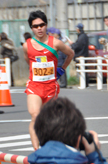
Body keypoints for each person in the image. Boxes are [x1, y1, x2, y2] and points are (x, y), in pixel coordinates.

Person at [23, 10, 74, 150]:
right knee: (35, 115)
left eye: (42, 25)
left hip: (51, 86)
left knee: (47, 119)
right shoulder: (27, 45)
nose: (39, 28)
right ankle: (37, 151)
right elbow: (29, 62)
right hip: (34, 85)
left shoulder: (55, 43)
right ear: (31, 28)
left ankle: (49, 145)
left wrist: (62, 69)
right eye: (35, 26)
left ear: (46, 25)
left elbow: (70, 54)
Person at [71, 23, 89, 87]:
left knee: (82, 70)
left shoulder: (82, 37)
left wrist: (72, 44)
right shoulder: (83, 36)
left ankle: (84, 84)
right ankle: (84, 83)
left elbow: (78, 46)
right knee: (83, 70)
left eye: (76, 28)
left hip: (81, 55)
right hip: (83, 55)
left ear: (78, 29)